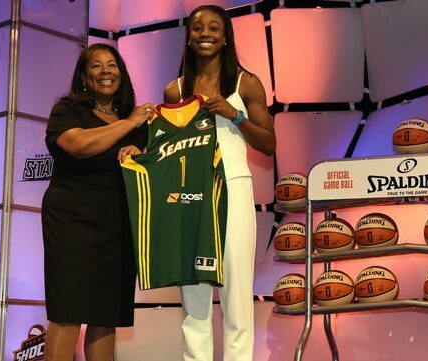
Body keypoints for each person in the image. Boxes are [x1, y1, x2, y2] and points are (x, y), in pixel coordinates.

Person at [163, 5, 276, 361]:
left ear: (226, 37)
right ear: (189, 36)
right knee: (193, 297)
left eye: (214, 27)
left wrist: (235, 114)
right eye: (198, 28)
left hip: (233, 187)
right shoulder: (175, 89)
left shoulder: (247, 83)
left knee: (237, 295)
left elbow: (268, 144)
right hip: (188, 195)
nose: (205, 33)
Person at [42, 43, 156, 361]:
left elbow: (151, 167)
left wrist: (140, 154)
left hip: (119, 222)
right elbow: (79, 145)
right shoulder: (67, 109)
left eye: (113, 65)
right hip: (72, 222)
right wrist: (130, 123)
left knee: (106, 314)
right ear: (83, 75)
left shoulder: (137, 123)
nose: (106, 71)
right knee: (68, 309)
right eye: (96, 66)